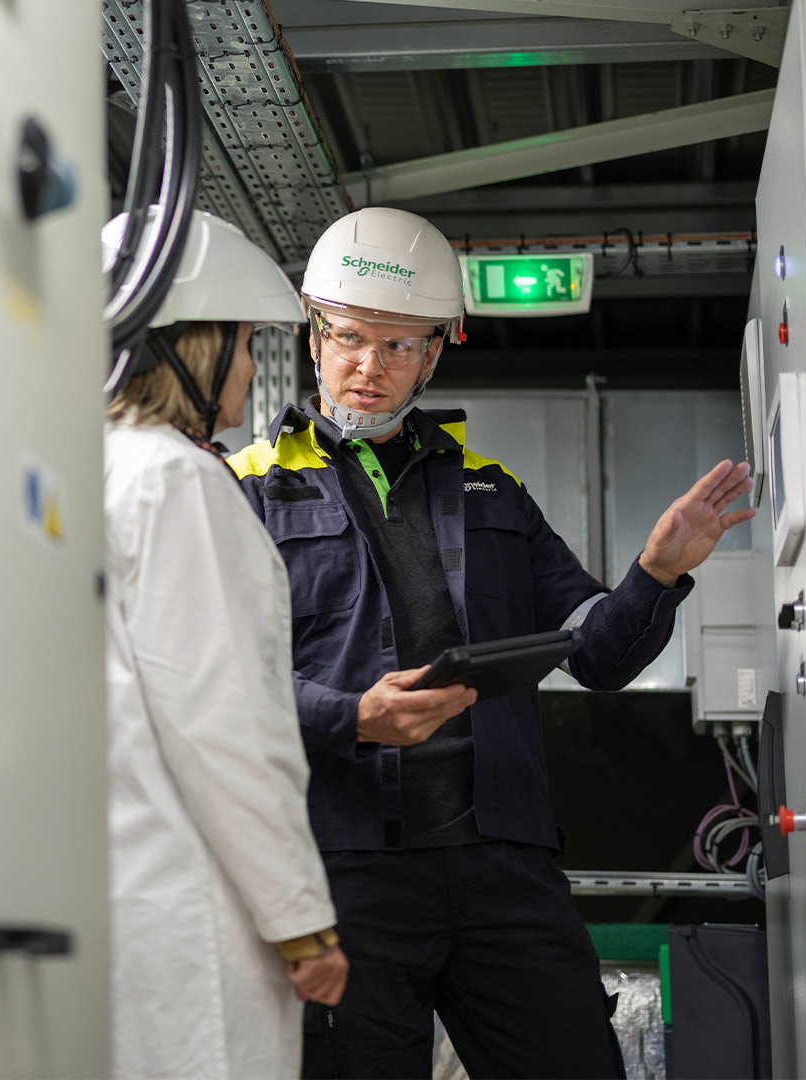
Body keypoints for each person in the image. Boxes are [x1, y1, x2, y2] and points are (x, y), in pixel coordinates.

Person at [227, 207, 756, 1079]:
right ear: (315, 335)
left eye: (400, 347)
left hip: (502, 865)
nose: (370, 367)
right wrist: (351, 716)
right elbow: (221, 689)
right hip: (343, 865)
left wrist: (656, 573)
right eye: (352, 338)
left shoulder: (492, 489)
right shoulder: (245, 490)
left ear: (434, 353)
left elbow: (597, 654)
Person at [102, 208, 350, 1080]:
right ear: (191, 348)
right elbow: (228, 726)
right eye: (243, 343)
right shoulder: (177, 481)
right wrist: (301, 920)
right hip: (191, 914)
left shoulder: (85, 474)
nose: (250, 369)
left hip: (111, 906)